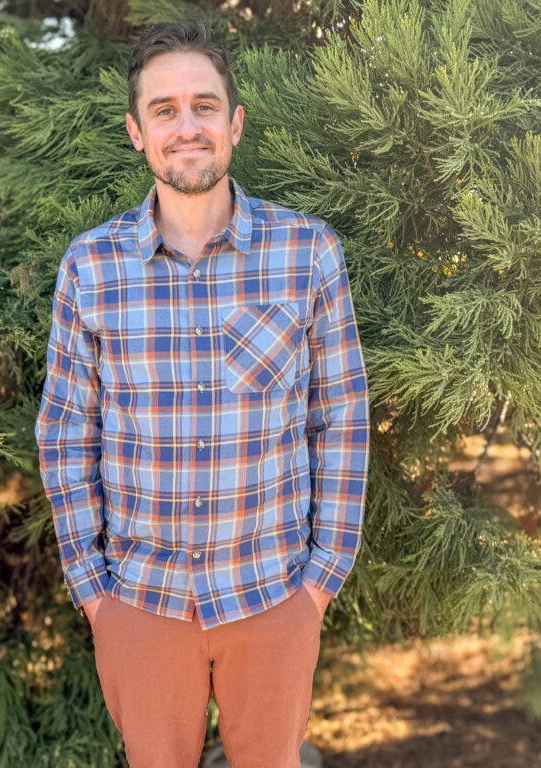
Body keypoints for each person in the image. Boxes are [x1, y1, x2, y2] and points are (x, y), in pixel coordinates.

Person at [36, 19, 370, 768]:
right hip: (141, 604)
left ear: (235, 123)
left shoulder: (306, 251)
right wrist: (96, 595)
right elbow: (64, 433)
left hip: (273, 595)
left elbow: (341, 419)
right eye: (164, 110)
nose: (186, 126)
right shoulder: (91, 266)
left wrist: (320, 582)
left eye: (204, 105)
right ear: (136, 131)